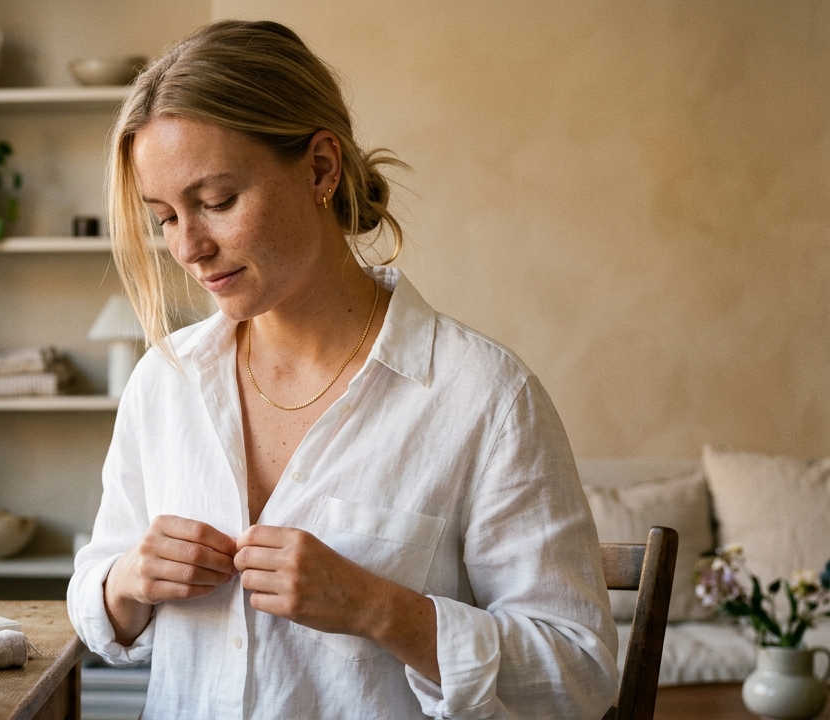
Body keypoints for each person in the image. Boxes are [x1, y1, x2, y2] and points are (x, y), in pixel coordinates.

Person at [66, 19, 620, 719]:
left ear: (322, 168)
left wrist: (382, 610)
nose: (190, 248)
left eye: (216, 202)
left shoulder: (484, 398)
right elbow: (96, 600)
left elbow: (581, 673)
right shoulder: (165, 383)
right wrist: (126, 583)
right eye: (165, 218)